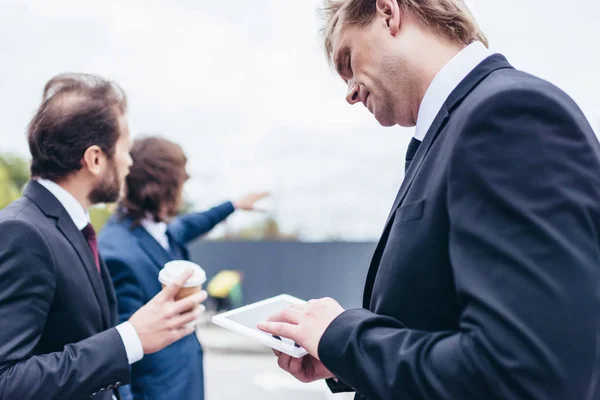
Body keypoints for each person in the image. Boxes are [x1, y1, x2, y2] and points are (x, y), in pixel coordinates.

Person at [258, 1, 600, 399]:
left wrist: (344, 336)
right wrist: (345, 359)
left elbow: (527, 375)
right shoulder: (455, 130)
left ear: (388, 12)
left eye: (348, 60)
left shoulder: (507, 115)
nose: (349, 93)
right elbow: (445, 328)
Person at [0, 74, 207, 400]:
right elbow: (6, 381)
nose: (129, 162)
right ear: (95, 159)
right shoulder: (22, 232)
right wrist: (131, 339)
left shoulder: (69, 226)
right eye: (125, 148)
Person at [98, 136, 268, 400]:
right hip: (158, 391)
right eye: (182, 182)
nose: (183, 191)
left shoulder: (161, 230)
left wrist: (234, 205)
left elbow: (195, 222)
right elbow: (120, 353)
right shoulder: (118, 253)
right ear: (165, 186)